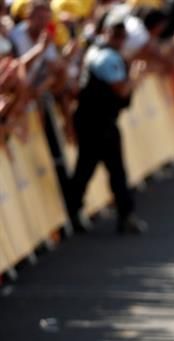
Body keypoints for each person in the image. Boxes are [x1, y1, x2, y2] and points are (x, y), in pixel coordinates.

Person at [65, 4, 147, 234]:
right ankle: (118, 214)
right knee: (98, 169)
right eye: (116, 34)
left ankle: (81, 212)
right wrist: (135, 79)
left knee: (92, 169)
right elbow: (120, 89)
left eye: (122, 35)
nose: (120, 39)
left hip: (99, 120)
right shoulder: (104, 57)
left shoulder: (103, 53)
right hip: (96, 122)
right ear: (106, 32)